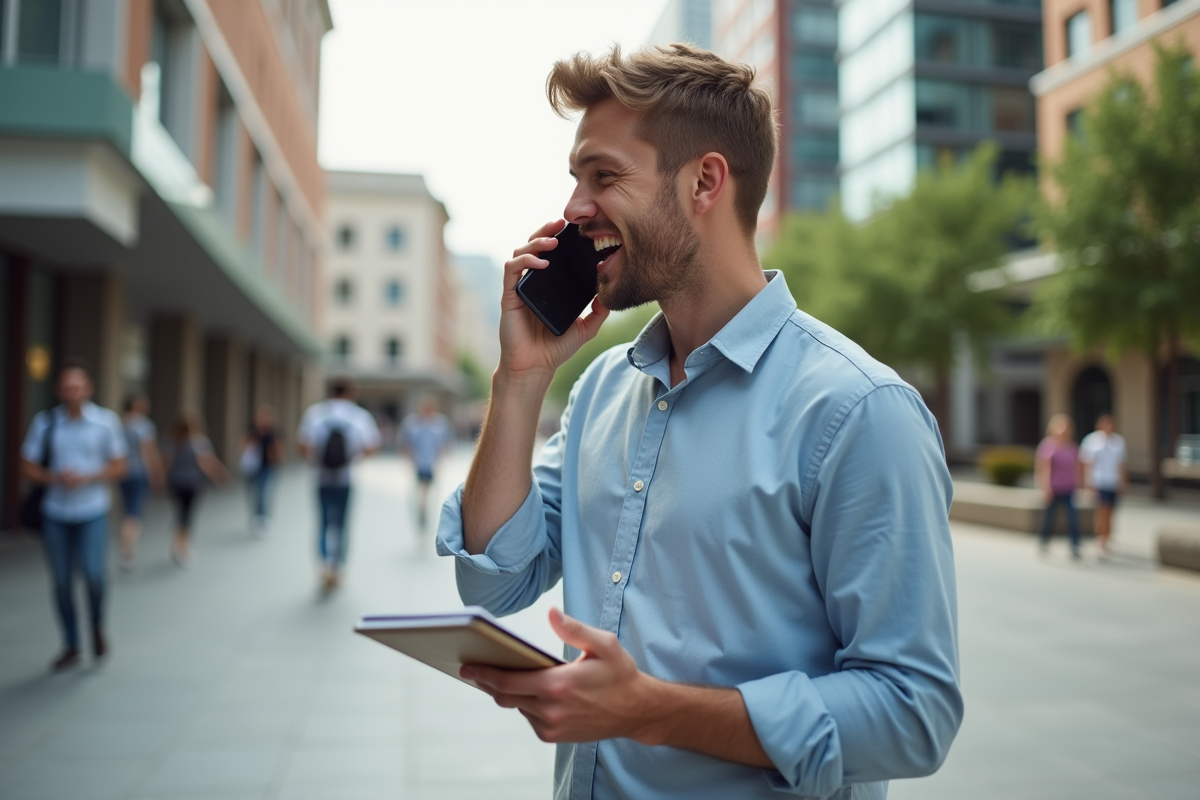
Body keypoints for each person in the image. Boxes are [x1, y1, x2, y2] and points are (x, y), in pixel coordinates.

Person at [435, 45, 962, 799]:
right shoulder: (598, 394)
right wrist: (519, 382)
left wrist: (650, 712)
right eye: (575, 180)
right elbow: (495, 580)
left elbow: (914, 715)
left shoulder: (857, 412)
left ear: (705, 182)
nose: (575, 209)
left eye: (604, 176)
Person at [20, 360, 127, 671]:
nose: (72, 392)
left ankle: (96, 625)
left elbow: (121, 464)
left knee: (94, 574)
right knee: (62, 581)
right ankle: (70, 642)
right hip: (56, 511)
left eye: (77, 387)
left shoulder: (106, 423)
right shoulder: (46, 423)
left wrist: (90, 477)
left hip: (93, 508)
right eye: (67, 387)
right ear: (59, 391)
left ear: (88, 389)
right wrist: (55, 479)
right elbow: (27, 465)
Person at [297, 378, 381, 591]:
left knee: (323, 523)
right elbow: (372, 446)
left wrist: (318, 460)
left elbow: (303, 445)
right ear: (350, 392)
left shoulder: (315, 414)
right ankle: (338, 567)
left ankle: (324, 564)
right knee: (342, 524)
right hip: (346, 478)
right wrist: (352, 457)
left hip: (320, 477)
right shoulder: (359, 416)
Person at [163, 410, 230, 566]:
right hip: (192, 484)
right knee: (187, 515)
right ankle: (181, 546)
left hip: (176, 483)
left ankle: (178, 540)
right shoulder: (199, 442)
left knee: (181, 512)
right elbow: (206, 463)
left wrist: (160, 478)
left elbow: (166, 462)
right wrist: (220, 476)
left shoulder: (171, 441)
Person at [117, 393, 164, 571]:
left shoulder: (120, 424)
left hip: (123, 473)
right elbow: (149, 451)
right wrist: (157, 473)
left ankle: (124, 548)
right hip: (138, 472)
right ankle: (127, 551)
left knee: (126, 510)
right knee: (134, 513)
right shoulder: (143, 425)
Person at [399, 396, 453, 528]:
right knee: (421, 488)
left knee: (426, 488)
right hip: (418, 462)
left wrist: (441, 459)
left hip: (431, 463)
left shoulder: (440, 423)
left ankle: (423, 507)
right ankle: (422, 507)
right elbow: (405, 443)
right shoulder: (412, 423)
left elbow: (446, 444)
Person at [1036, 413, 1082, 559]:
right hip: (1053, 488)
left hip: (1069, 487)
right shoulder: (1047, 445)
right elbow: (1042, 468)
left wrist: (1080, 484)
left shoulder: (1072, 446)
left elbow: (1077, 467)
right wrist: (1045, 488)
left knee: (1073, 518)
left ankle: (1075, 545)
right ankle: (1044, 541)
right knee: (1050, 517)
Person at [1080, 413, 1127, 555]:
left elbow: (1121, 464)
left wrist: (1123, 482)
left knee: (1111, 512)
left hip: (1113, 482)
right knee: (1102, 511)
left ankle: (1108, 538)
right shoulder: (1091, 441)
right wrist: (1086, 483)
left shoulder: (1118, 442)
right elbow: (1086, 464)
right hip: (1098, 482)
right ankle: (1100, 538)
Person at [240, 403, 284, 535]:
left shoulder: (275, 433)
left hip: (267, 467)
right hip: (251, 468)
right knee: (252, 493)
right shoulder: (252, 431)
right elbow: (243, 445)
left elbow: (279, 451)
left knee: (263, 492)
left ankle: (263, 518)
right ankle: (255, 517)